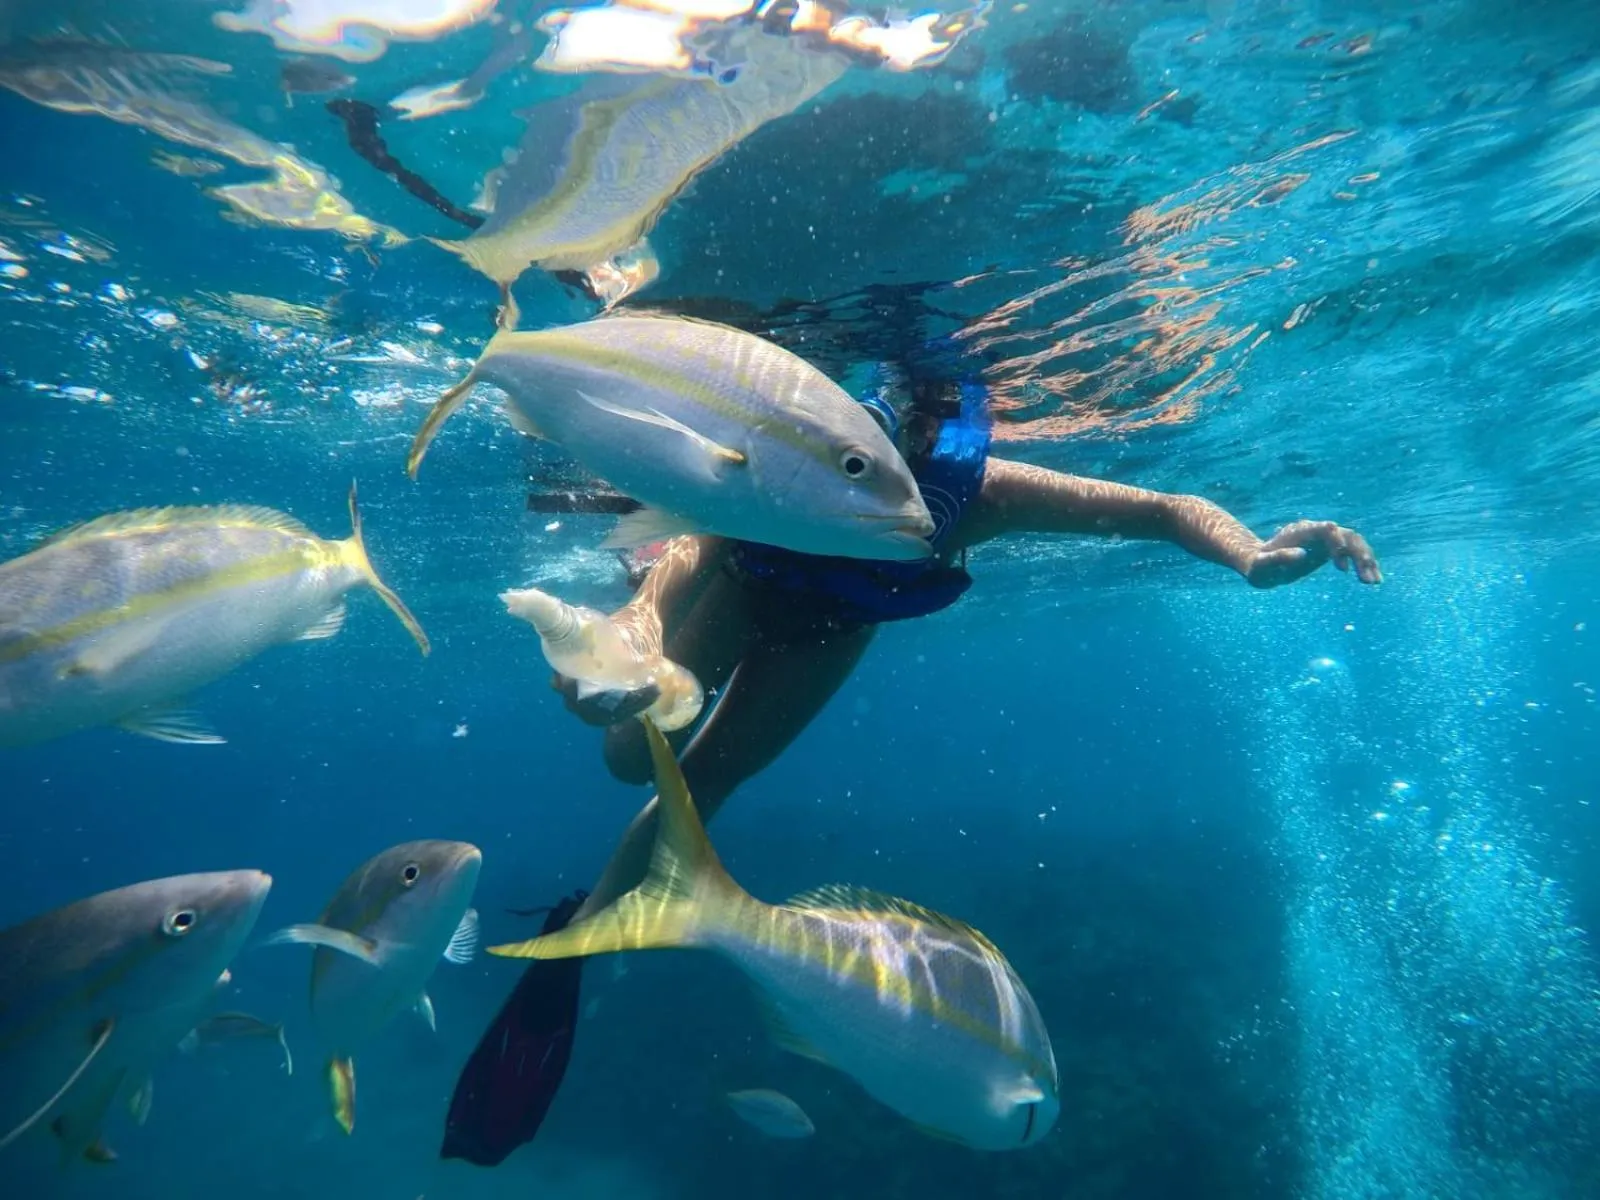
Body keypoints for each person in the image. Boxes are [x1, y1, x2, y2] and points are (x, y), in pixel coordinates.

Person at [440, 358, 1381, 1165]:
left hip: (832, 624)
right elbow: (691, 552)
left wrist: (1252, 557)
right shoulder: (786, 456)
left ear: (930, 447)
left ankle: (574, 955)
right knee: (627, 759)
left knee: (709, 778)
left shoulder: (984, 493)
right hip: (744, 577)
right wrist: (635, 629)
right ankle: (618, 653)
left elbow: (1165, 508)